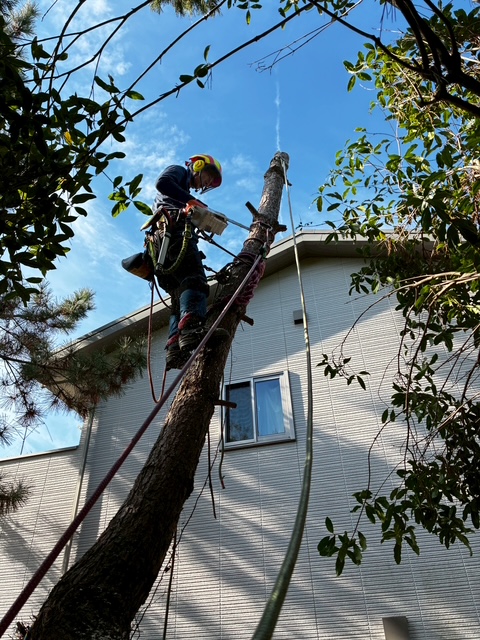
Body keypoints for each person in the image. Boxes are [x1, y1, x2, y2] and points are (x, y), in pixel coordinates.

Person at [150, 154, 223, 369]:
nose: (206, 183)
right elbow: (162, 182)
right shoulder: (179, 172)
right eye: (207, 177)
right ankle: (192, 329)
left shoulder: (180, 197)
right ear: (197, 165)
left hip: (161, 247)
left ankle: (174, 348)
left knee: (177, 298)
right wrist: (191, 200)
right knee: (195, 279)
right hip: (173, 235)